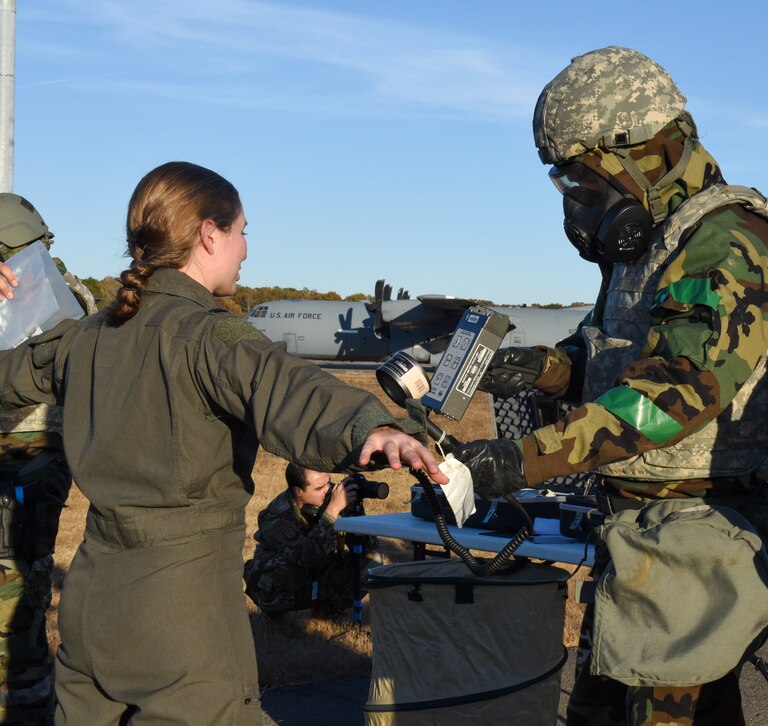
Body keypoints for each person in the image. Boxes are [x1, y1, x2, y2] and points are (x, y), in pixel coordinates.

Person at [0, 161, 447, 725]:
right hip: (179, 611)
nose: (245, 251)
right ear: (208, 234)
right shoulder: (208, 332)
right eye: (241, 232)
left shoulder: (88, 335)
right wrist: (374, 428)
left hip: (92, 600)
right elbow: (284, 383)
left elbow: (8, 374)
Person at [449, 47, 768, 725]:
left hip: (697, 547)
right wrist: (537, 368)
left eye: (582, 178)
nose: (579, 200)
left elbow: (676, 392)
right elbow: (608, 362)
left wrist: (521, 463)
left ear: (636, 151)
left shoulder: (730, 235)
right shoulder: (656, 242)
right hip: (640, 540)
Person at [0, 194, 96, 723]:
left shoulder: (63, 296)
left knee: (16, 576)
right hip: (26, 452)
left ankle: (25, 695)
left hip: (32, 453)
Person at [244, 464, 381, 616]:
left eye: (328, 482)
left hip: (320, 570)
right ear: (298, 491)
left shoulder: (331, 497)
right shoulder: (275, 517)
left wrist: (353, 513)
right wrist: (331, 512)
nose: (327, 489)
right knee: (282, 569)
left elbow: (370, 545)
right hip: (286, 576)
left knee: (372, 561)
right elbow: (306, 557)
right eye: (319, 487)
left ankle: (327, 611)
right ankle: (276, 614)